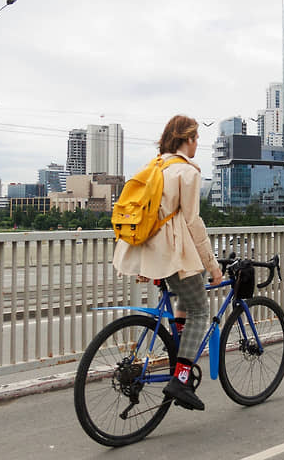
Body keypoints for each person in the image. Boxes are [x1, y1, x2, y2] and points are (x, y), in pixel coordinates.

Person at [113, 114, 222, 411]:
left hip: (147, 249)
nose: (198, 143)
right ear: (186, 139)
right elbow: (192, 222)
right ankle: (181, 377)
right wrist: (212, 265)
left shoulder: (155, 165)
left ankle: (178, 348)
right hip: (171, 252)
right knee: (201, 310)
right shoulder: (186, 172)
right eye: (196, 138)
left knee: (188, 294)